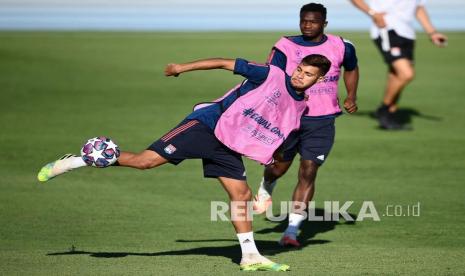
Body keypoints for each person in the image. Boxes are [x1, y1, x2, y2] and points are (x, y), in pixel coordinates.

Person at [37, 55, 332, 271]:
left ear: (319, 81)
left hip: (228, 144)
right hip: (206, 125)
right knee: (144, 162)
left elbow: (274, 134)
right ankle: (78, 161)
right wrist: (181, 68)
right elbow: (223, 63)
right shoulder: (270, 73)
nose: (299, 75)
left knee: (240, 196)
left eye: (307, 75)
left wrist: (265, 183)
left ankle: (250, 256)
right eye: (299, 69)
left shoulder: (301, 105)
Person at [252, 3, 359, 248]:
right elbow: (271, 78)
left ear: (325, 23)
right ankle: (267, 185)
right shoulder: (285, 46)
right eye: (303, 21)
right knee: (278, 168)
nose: (307, 25)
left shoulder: (342, 45)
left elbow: (351, 68)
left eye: (313, 21)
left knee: (309, 170)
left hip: (322, 121)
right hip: (289, 119)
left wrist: (351, 95)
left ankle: (291, 231)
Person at [350, 0, 447, 129]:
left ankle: (390, 114)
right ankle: (383, 109)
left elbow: (418, 7)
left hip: (407, 33)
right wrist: (373, 14)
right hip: (387, 29)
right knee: (406, 74)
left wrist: (432, 32)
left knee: (396, 75)